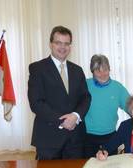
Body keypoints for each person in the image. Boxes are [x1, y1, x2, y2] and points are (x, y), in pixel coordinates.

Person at [28, 26, 91, 160]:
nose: (63, 47)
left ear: (70, 46)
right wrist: (62, 121)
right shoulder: (37, 68)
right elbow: (36, 103)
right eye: (58, 43)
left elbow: (85, 97)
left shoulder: (77, 70)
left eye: (66, 43)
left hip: (75, 138)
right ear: (51, 44)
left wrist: (75, 115)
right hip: (48, 138)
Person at [84, 54, 130, 158]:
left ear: (109, 69)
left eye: (105, 70)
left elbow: (130, 107)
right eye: (98, 71)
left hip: (110, 138)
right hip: (87, 137)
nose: (102, 74)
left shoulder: (118, 87)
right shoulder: (85, 85)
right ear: (92, 71)